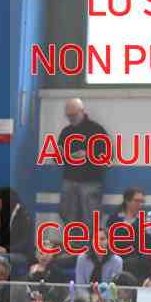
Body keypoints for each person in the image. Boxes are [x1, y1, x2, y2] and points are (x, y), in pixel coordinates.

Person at [57, 98, 110, 228]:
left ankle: (90, 241)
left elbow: (107, 155)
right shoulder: (66, 132)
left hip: (90, 180)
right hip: (70, 180)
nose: (71, 118)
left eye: (73, 115)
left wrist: (87, 155)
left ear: (82, 111)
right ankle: (72, 240)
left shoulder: (96, 130)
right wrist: (65, 156)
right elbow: (57, 157)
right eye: (68, 115)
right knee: (67, 216)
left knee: (91, 219)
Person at [105, 187, 151, 283]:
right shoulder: (114, 219)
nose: (140, 204)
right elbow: (110, 241)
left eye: (142, 201)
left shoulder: (145, 220)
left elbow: (150, 243)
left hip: (139, 257)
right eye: (137, 201)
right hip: (119, 255)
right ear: (127, 201)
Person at [0, 187, 34, 270]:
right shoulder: (5, 215)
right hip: (8, 252)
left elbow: (25, 243)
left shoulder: (24, 216)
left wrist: (6, 249)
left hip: (23, 254)